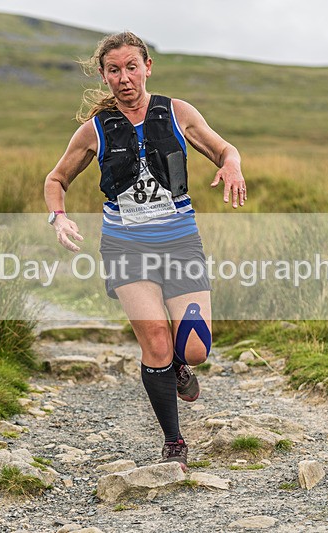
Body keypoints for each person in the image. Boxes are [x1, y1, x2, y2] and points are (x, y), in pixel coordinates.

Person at [43, 31, 246, 470]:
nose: (124, 78)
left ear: (147, 67)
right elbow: (55, 179)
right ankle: (173, 440)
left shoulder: (177, 112)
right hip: (124, 246)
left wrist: (231, 164)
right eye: (113, 70)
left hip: (179, 242)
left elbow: (223, 148)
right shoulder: (95, 129)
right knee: (155, 339)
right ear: (104, 75)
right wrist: (58, 216)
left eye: (131, 67)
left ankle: (180, 366)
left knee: (193, 348)